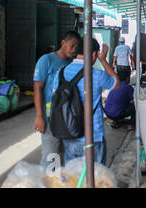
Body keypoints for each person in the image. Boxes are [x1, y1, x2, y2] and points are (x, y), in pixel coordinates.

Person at [53, 38, 119, 165]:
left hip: (69, 133)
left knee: (73, 177)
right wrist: (103, 60)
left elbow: (55, 96)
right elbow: (116, 83)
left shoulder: (60, 73)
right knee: (96, 177)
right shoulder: (97, 75)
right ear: (94, 54)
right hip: (92, 136)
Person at [33, 30, 81, 166]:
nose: (73, 50)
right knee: (51, 156)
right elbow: (37, 89)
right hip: (50, 118)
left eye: (76, 47)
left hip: (68, 117)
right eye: (71, 46)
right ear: (63, 43)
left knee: (67, 156)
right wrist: (39, 116)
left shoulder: (73, 63)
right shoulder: (46, 60)